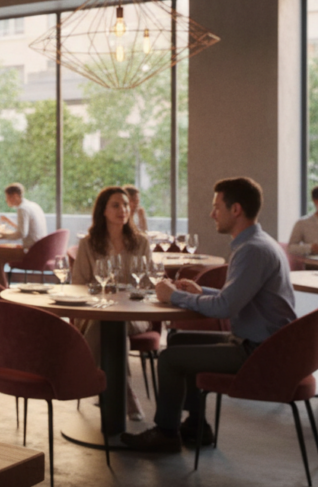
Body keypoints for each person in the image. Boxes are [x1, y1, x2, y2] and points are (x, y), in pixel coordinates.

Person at [121, 177, 296, 452]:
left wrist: (174, 296)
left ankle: (166, 434)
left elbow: (225, 308)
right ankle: (196, 425)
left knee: (169, 358)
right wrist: (200, 290)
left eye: (217, 207)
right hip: (264, 344)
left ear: (235, 209)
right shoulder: (258, 243)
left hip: (259, 352)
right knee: (178, 340)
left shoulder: (252, 250)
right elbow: (237, 296)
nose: (212, 213)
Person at [70, 186, 152, 420]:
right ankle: (126, 395)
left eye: (125, 205)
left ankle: (86, 377)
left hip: (134, 313)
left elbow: (147, 285)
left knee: (111, 324)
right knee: (107, 322)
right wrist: (104, 295)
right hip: (97, 311)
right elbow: (78, 285)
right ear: (103, 211)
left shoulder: (141, 242)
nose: (123, 209)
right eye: (115, 205)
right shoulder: (88, 244)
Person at [0, 183, 48, 287]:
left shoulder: (22, 209)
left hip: (30, 252)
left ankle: (2, 287)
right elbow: (26, 229)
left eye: (7, 197)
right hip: (42, 250)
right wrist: (9, 222)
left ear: (15, 196)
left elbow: (22, 233)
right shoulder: (33, 205)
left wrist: (4, 235)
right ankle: (3, 285)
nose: (6, 200)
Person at [287, 185, 318, 255]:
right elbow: (290, 248)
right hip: (311, 261)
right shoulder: (302, 223)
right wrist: (311, 248)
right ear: (315, 201)